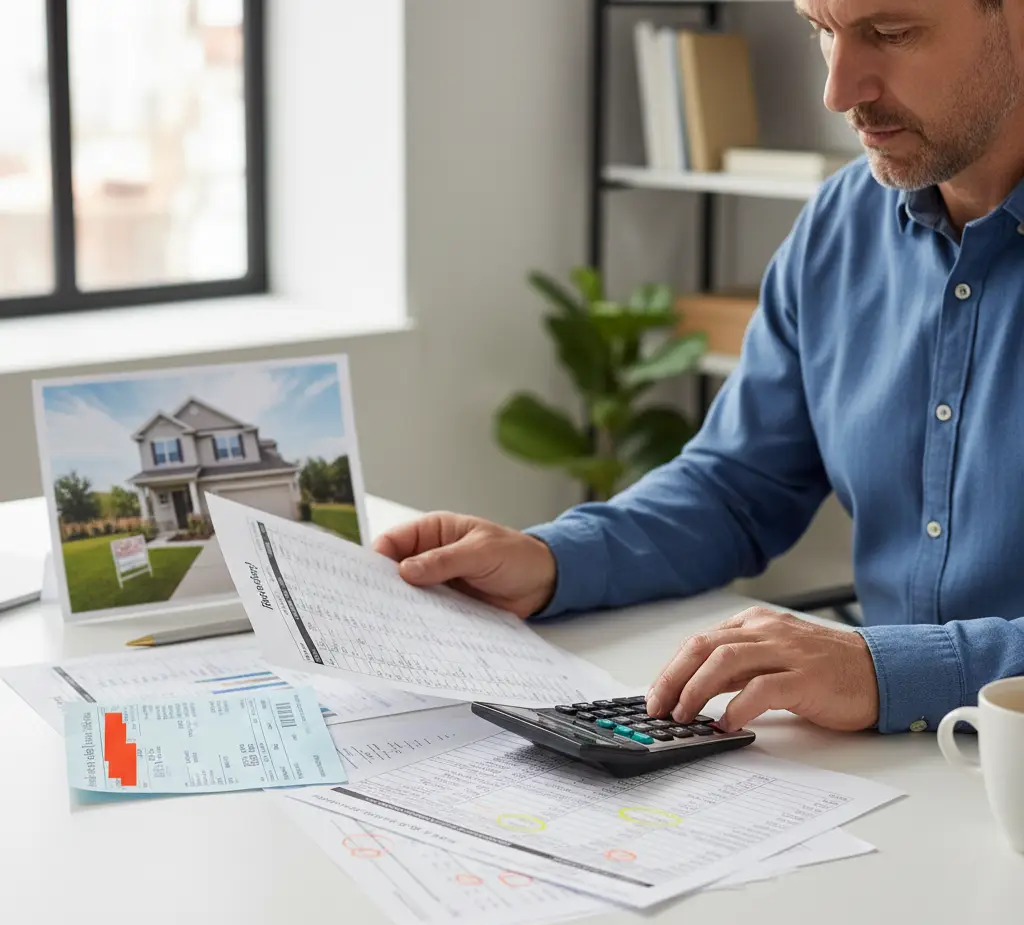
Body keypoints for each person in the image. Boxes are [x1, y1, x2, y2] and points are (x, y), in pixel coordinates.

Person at [376, 0, 1024, 736]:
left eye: (891, 34)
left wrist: (891, 671)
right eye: (821, 30)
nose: (838, 91)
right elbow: (738, 488)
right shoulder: (842, 224)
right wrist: (554, 560)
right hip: (898, 769)